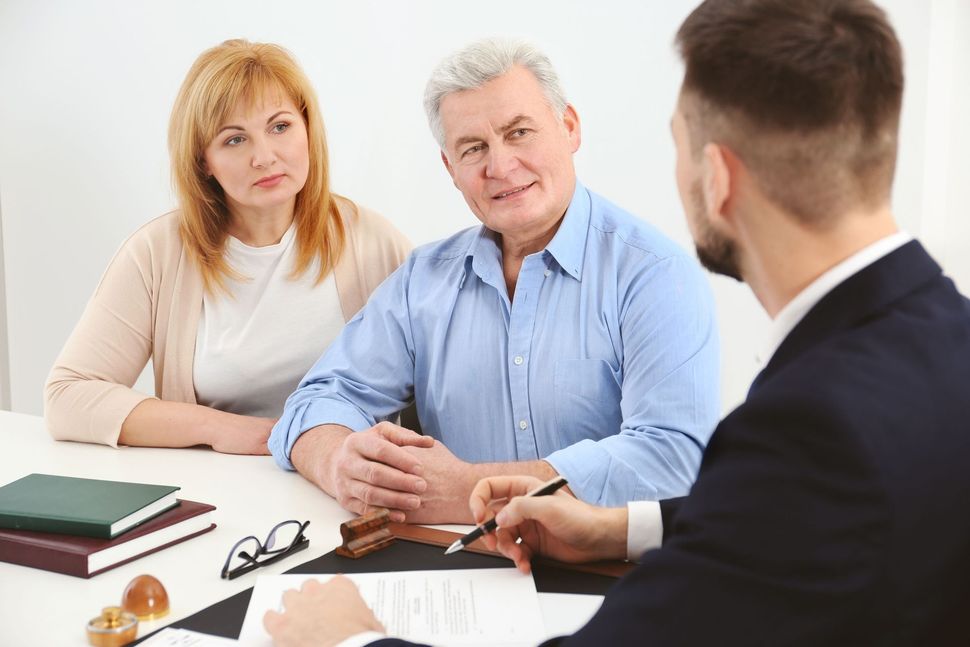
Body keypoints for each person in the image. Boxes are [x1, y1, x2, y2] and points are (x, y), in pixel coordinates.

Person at [262, 0, 970, 644]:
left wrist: (351, 641)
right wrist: (616, 527)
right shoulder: (941, 341)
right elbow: (773, 528)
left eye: (676, 143)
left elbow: (715, 487)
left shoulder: (805, 423)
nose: (500, 164)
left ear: (715, 176)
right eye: (474, 148)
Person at [269, 39, 720, 523]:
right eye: (473, 148)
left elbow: (675, 460)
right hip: (453, 569)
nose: (500, 167)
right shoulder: (423, 280)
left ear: (568, 128)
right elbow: (316, 401)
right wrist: (340, 462)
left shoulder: (653, 274)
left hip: (611, 574)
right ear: (451, 169)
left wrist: (471, 489)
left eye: (519, 132)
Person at [44, 40, 410, 453]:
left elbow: (437, 386)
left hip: (345, 486)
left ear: (308, 129)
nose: (265, 157)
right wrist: (221, 429)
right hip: (220, 489)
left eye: (280, 126)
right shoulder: (157, 254)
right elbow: (68, 396)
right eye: (235, 140)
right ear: (203, 161)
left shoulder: (373, 243)